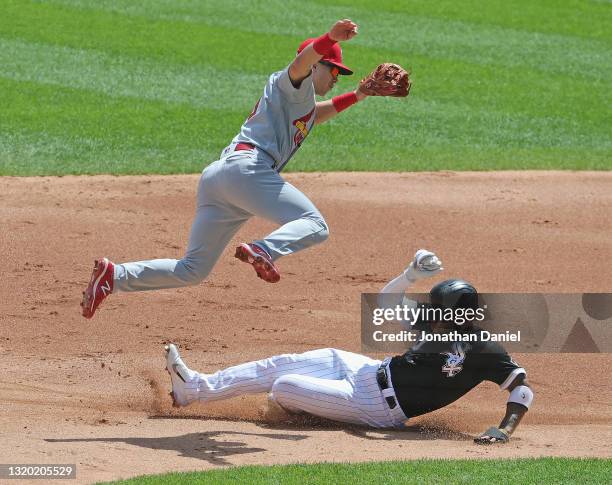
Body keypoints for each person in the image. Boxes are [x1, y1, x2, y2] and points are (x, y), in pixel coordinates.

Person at [81, 19, 408, 319]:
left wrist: (359, 95)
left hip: (221, 179)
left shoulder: (300, 104)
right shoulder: (291, 81)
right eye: (333, 69)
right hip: (247, 170)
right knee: (315, 225)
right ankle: (263, 249)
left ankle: (115, 276)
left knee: (192, 269)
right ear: (316, 66)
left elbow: (315, 116)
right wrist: (330, 38)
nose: (337, 77)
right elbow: (301, 62)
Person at [164, 250, 534, 444]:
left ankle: (301, 409)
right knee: (282, 363)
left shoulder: (484, 348)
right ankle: (193, 388)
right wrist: (410, 275)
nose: (430, 313)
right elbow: (387, 303)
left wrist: (505, 428)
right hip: (365, 370)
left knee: (284, 387)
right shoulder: (432, 319)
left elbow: (522, 388)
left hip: (377, 408)